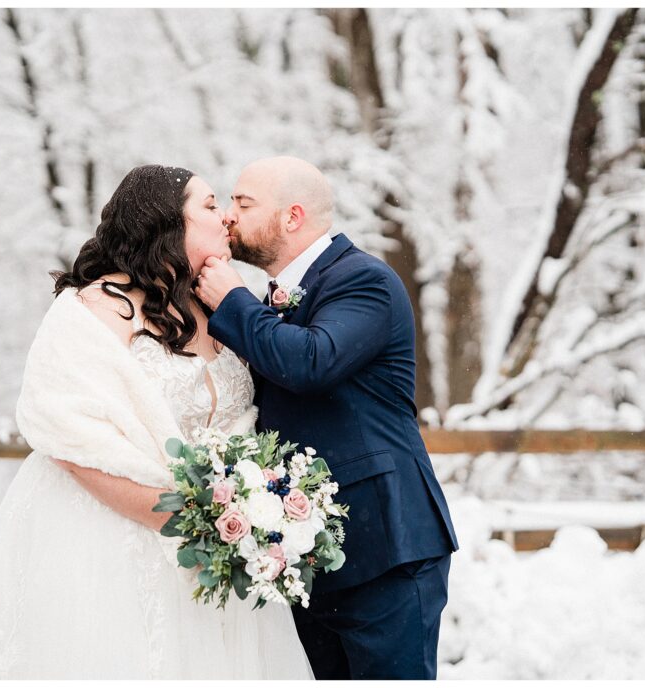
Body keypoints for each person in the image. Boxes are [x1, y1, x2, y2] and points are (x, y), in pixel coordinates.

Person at [0, 165, 313, 679]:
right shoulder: (94, 308)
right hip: (105, 537)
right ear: (168, 223)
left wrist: (247, 509)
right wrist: (182, 516)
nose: (227, 218)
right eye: (211, 206)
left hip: (217, 548)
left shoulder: (220, 307)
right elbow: (64, 431)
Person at [195, 156, 459, 680]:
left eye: (243, 204)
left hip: (386, 548)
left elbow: (309, 361)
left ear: (292, 217)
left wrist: (232, 300)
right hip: (312, 556)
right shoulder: (276, 296)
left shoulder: (364, 280)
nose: (228, 216)